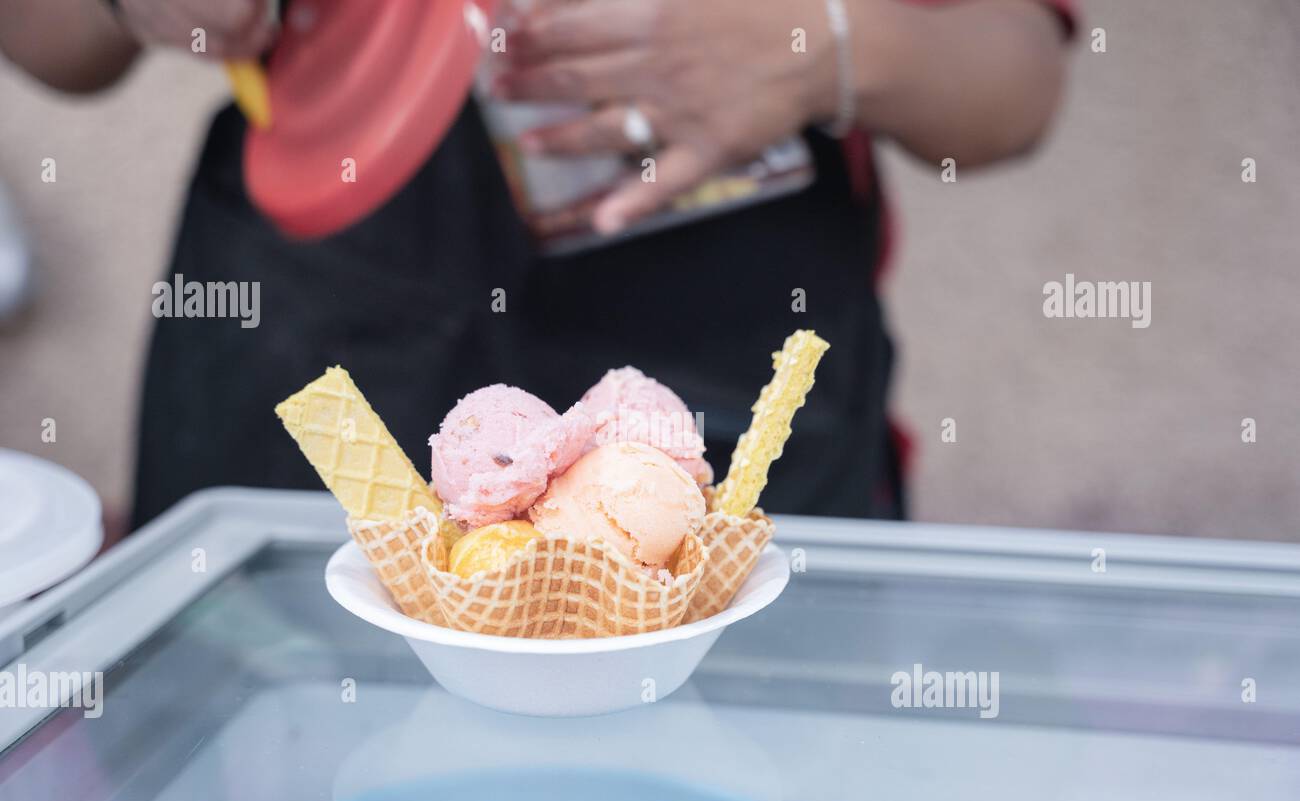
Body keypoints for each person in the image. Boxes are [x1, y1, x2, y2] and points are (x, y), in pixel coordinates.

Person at [0, 0, 1073, 528]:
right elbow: (52, 37)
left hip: (738, 362)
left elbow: (1008, 90)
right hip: (313, 339)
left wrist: (825, 41)